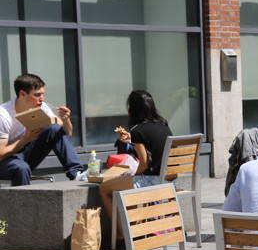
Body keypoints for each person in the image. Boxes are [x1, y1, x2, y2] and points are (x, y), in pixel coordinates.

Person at [99, 90, 173, 229]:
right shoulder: (164, 125)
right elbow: (153, 146)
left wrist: (133, 174)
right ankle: (134, 229)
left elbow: (144, 164)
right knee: (128, 183)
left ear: (132, 110)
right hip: (169, 180)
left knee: (104, 188)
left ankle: (121, 234)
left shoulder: (137, 130)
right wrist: (132, 140)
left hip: (152, 181)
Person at [0, 73, 82, 186]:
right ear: (22, 94)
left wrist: (66, 120)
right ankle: (24, 198)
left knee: (54, 128)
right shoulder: (3, 115)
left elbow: (67, 134)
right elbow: (1, 154)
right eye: (37, 95)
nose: (42, 99)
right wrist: (25, 139)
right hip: (5, 161)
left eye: (43, 94)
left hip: (22, 155)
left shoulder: (41, 107)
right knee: (21, 168)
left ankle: (76, 173)